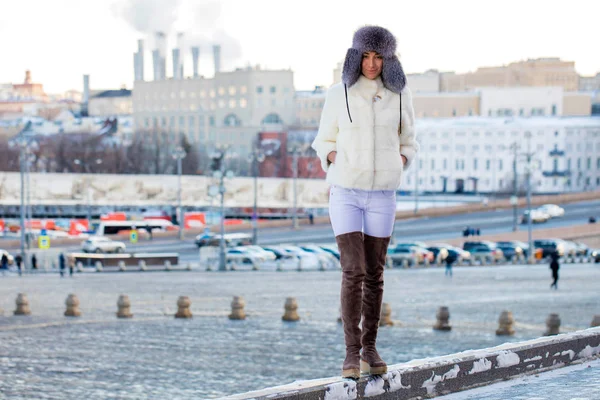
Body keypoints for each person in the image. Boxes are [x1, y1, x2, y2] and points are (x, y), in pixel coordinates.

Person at [311, 26, 418, 379]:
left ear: (388, 59)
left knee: (374, 272)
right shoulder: (338, 93)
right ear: (355, 56)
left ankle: (370, 349)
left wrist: (398, 162)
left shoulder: (399, 95)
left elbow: (409, 140)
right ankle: (350, 354)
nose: (372, 64)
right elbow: (323, 139)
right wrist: (333, 157)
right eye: (366, 56)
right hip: (346, 192)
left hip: (383, 194)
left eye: (379, 56)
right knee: (352, 269)